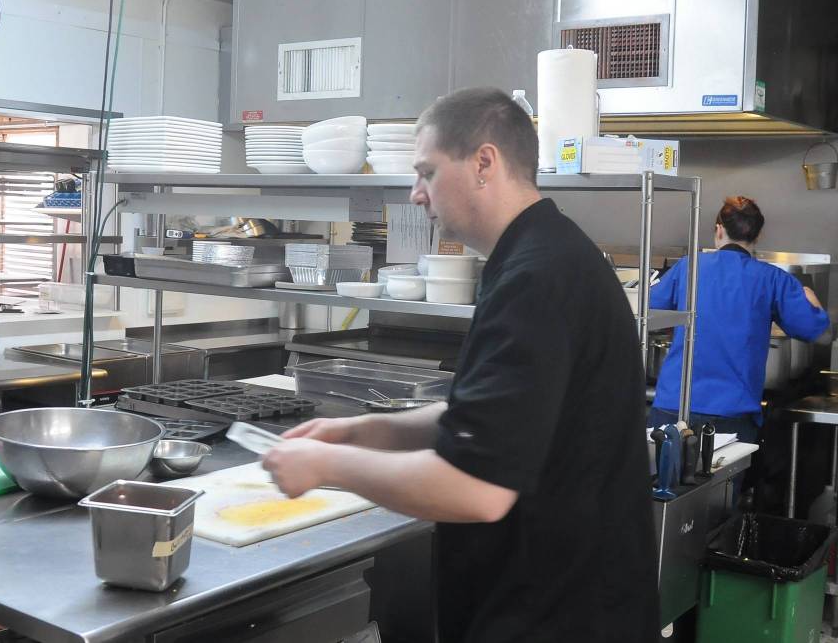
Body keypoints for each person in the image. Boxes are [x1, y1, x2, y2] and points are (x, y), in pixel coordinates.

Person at [263, 87, 659, 643]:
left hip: (554, 616)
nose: (415, 193)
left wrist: (325, 468)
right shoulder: (543, 253)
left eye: (426, 172)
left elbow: (476, 489)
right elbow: (493, 420)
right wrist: (367, 430)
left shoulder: (535, 278)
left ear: (483, 163)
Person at [649, 196, 830, 443]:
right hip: (731, 416)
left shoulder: (688, 268)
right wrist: (812, 299)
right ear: (757, 236)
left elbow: (646, 311)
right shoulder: (772, 279)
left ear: (719, 229)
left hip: (674, 406)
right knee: (721, 481)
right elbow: (820, 333)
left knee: (663, 480)